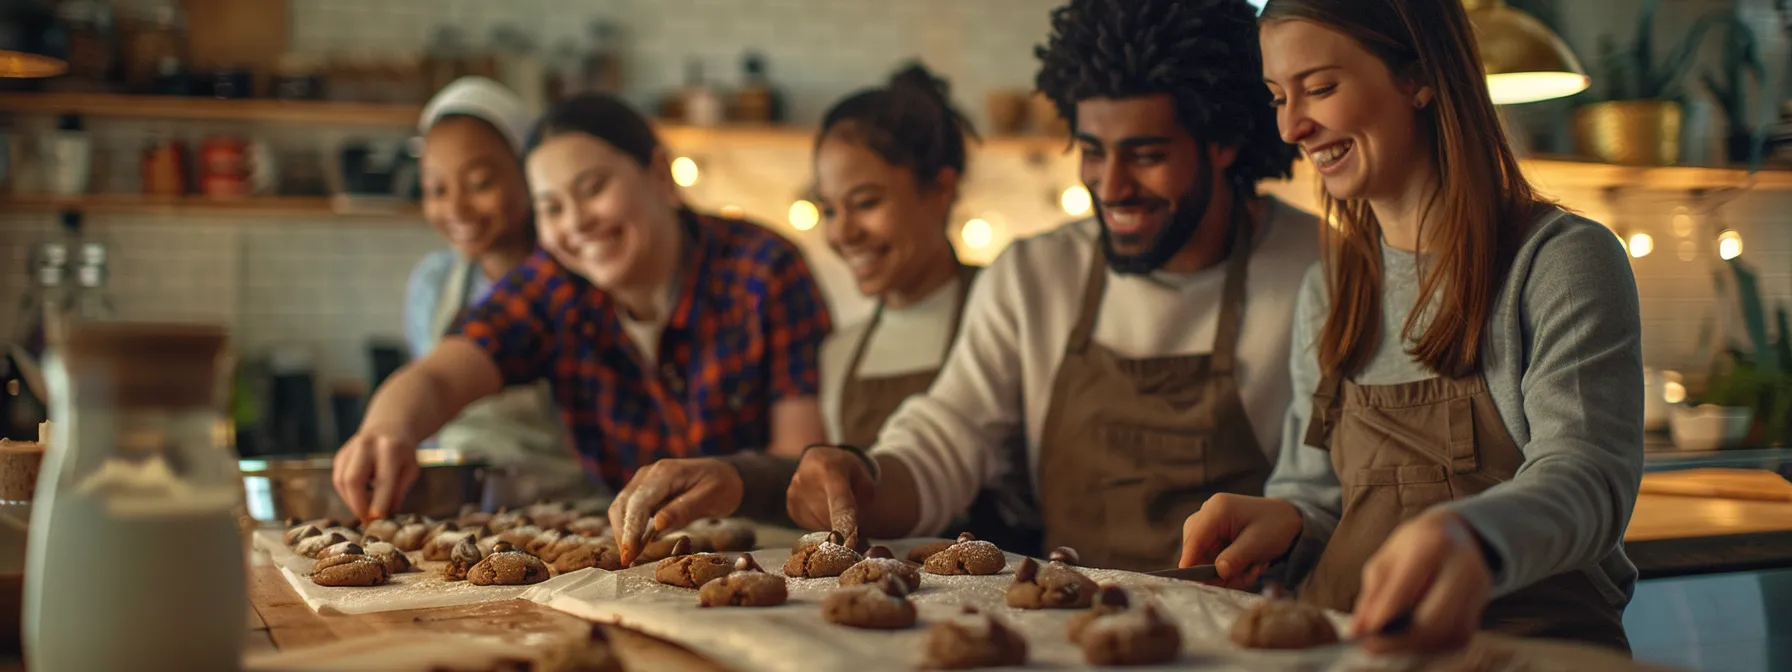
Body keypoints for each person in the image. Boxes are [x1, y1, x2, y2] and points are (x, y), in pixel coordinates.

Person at [783, 0, 1318, 572]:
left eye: (1147, 155)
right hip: (1062, 629)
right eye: (1092, 152)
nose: (1111, 186)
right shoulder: (1035, 275)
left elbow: (1321, 500)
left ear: (1224, 142)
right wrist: (865, 482)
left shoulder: (1320, 270)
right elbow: (949, 432)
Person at [1179, 0, 1643, 656]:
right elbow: (1318, 496)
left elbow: (1590, 479)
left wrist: (1472, 537)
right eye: (1278, 96)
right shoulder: (1330, 289)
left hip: (1525, 651)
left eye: (1320, 88)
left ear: (1421, 76)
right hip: (1349, 649)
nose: (1291, 127)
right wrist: (1286, 518)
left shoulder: (1560, 261)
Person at [603, 62, 1042, 563]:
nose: (842, 233)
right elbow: (815, 491)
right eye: (830, 210)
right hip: (881, 603)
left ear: (941, 190)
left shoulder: (1008, 314)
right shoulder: (841, 349)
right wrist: (731, 476)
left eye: (866, 202)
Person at [332, 93, 832, 524]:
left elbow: (801, 463)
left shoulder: (763, 269)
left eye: (593, 189)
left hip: (768, 549)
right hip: (633, 557)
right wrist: (386, 430)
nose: (576, 224)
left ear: (660, 175)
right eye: (551, 207)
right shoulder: (555, 286)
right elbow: (441, 377)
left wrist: (733, 480)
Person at [402, 77, 582, 504]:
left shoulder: (574, 282)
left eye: (480, 184)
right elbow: (432, 392)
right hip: (460, 510)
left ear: (528, 174)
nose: (457, 209)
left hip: (571, 512)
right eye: (437, 189)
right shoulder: (433, 284)